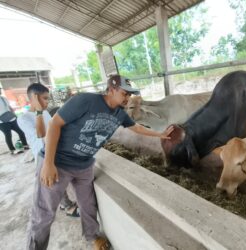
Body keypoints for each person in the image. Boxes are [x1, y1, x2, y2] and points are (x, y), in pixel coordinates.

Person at [27, 75, 174, 250]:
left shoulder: (120, 113)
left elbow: (136, 128)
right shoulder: (85, 100)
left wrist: (160, 134)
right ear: (111, 89)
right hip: (59, 162)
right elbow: (54, 125)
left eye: (129, 95)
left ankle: (92, 236)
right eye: (124, 94)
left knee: (88, 205)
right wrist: (48, 163)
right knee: (44, 214)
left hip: (84, 165)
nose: (127, 98)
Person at [18, 83, 79, 218]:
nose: (47, 102)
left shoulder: (45, 112)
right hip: (42, 156)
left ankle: (66, 203)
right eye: (44, 98)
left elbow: (53, 129)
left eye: (48, 99)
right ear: (33, 98)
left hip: (54, 150)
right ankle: (66, 206)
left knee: (59, 178)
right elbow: (40, 133)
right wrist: (38, 110)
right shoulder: (23, 119)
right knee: (52, 182)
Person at [0, 88, 29, 154]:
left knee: (21, 131)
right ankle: (12, 150)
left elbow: (9, 107)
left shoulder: (3, 98)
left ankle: (25, 145)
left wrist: (14, 115)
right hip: (2, 122)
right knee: (8, 135)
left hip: (11, 118)